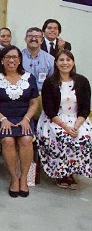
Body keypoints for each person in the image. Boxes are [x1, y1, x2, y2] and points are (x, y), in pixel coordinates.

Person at [0, 45, 40, 197]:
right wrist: (3, 119)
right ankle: (14, 178)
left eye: (15, 57)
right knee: (8, 140)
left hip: (23, 117)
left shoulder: (29, 77)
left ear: (20, 60)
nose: (11, 60)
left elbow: (34, 103)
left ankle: (24, 179)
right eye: (8, 57)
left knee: (27, 139)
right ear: (2, 60)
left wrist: (27, 119)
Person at [37, 50, 92, 189]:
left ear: (73, 62)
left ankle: (72, 172)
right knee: (63, 137)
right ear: (56, 63)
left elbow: (85, 108)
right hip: (55, 119)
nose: (65, 63)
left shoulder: (82, 81)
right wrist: (66, 127)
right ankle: (60, 173)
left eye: (68, 60)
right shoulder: (49, 82)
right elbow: (49, 110)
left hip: (77, 118)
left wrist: (76, 125)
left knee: (84, 137)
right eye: (61, 60)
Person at [21, 27, 54, 92]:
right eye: (30, 36)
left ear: (42, 40)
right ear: (25, 39)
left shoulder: (50, 59)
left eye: (37, 36)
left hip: (43, 95)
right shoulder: (18, 58)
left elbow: (52, 82)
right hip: (23, 95)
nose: (33, 39)